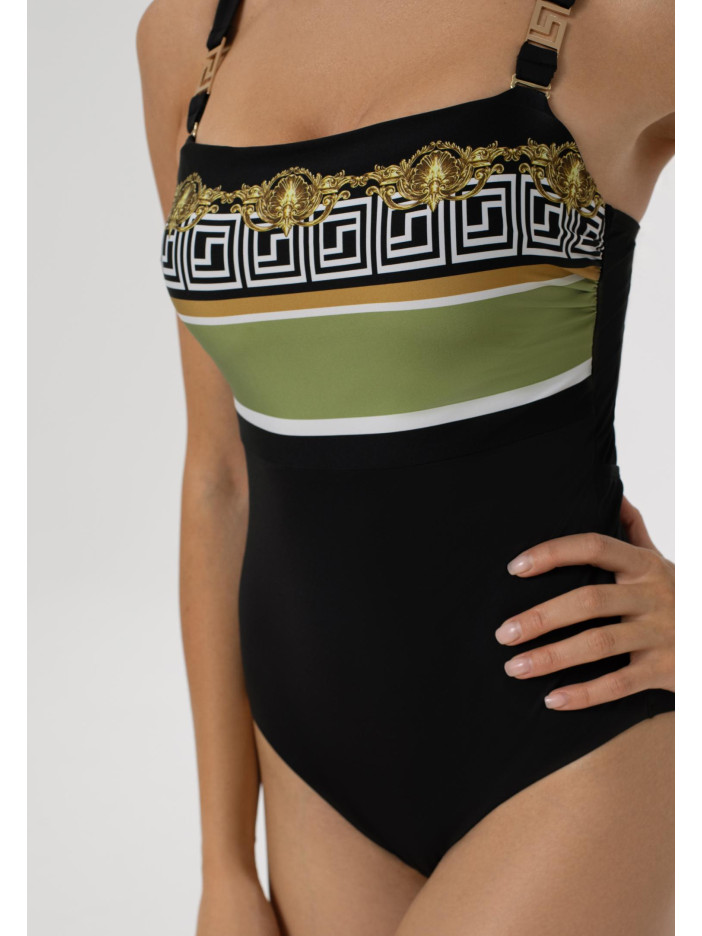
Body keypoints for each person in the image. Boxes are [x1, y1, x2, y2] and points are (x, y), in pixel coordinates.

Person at [137, 1, 675, 933]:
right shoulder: (189, 36)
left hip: (567, 736)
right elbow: (221, 476)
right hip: (312, 769)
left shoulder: (623, 18)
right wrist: (223, 863)